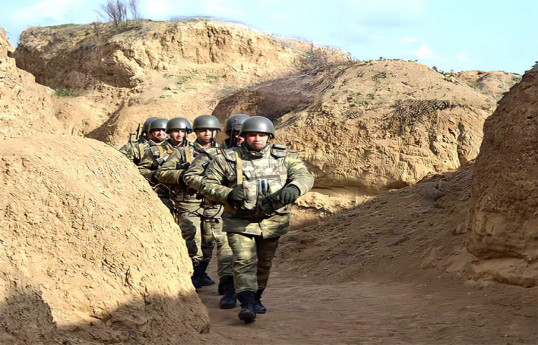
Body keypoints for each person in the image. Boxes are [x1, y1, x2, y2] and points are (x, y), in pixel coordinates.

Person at [201, 116, 314, 323]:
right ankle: (247, 303)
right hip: (239, 221)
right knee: (244, 261)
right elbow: (207, 183)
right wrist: (227, 193)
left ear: (269, 137)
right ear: (243, 137)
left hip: (273, 221)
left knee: (264, 263)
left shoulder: (284, 157)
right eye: (252, 135)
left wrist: (294, 188)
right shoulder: (227, 158)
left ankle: (257, 297)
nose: (257, 139)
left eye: (262, 135)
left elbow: (305, 176)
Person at [183, 113, 250, 309]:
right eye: (236, 133)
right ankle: (228, 288)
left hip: (246, 212)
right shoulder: (213, 154)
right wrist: (218, 189)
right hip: (217, 210)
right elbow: (190, 177)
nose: (240, 138)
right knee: (223, 248)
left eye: (244, 134)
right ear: (229, 133)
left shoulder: (258, 157)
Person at [156, 114, 220, 288]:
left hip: (213, 202)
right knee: (192, 237)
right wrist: (183, 175)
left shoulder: (223, 152)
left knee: (209, 240)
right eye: (202, 130)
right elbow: (162, 173)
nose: (207, 134)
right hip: (188, 201)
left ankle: (201, 271)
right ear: (196, 132)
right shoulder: (183, 152)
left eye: (210, 130)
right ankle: (195, 272)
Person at [137, 118, 174, 208]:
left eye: (163, 130)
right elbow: (140, 169)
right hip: (159, 191)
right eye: (157, 130)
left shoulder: (171, 147)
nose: (161, 133)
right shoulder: (149, 150)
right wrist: (154, 175)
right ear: (150, 133)